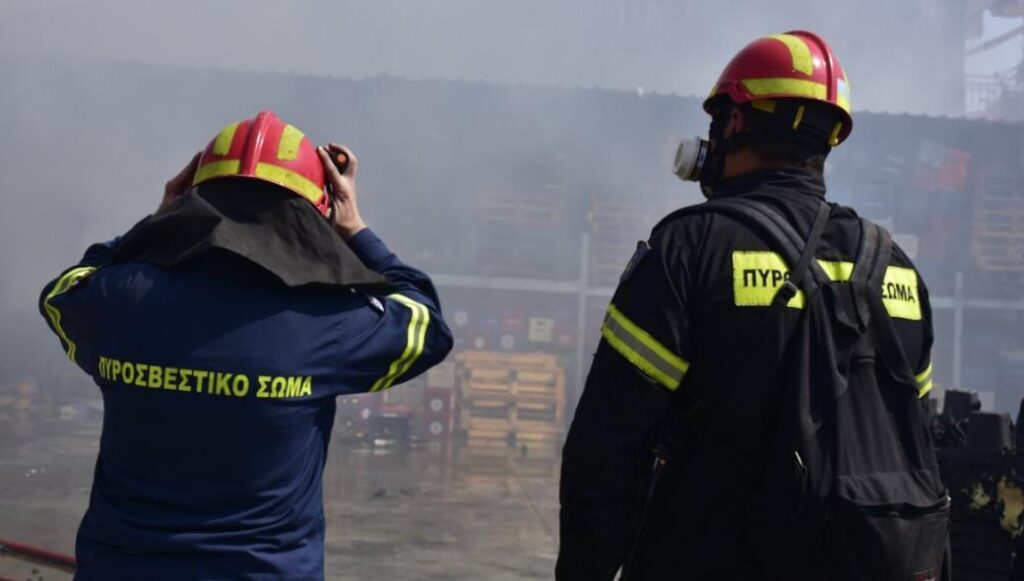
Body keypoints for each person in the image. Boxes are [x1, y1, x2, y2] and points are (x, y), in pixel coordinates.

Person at [558, 31, 946, 579]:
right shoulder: (897, 266)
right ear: (830, 138)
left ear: (735, 122)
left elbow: (606, 449)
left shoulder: (689, 248)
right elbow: (916, 436)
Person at [39, 110, 453, 579]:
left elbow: (62, 292)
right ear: (314, 214)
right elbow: (427, 325)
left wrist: (155, 226)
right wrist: (356, 229)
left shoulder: (123, 300)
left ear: (194, 201)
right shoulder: (326, 323)